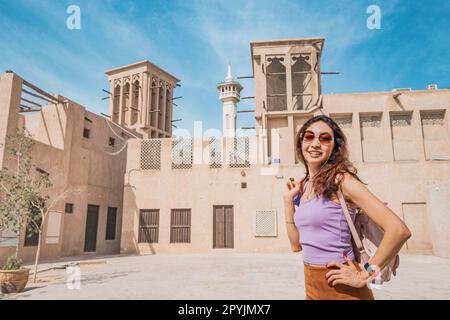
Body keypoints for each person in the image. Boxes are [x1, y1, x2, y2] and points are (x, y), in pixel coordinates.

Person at [283, 115, 412, 300]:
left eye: (325, 138)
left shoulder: (341, 180)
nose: (315, 143)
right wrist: (288, 201)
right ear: (301, 143)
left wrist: (365, 274)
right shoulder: (304, 186)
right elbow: (296, 245)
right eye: (309, 136)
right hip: (311, 286)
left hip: (343, 290)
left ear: (334, 146)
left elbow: (399, 230)